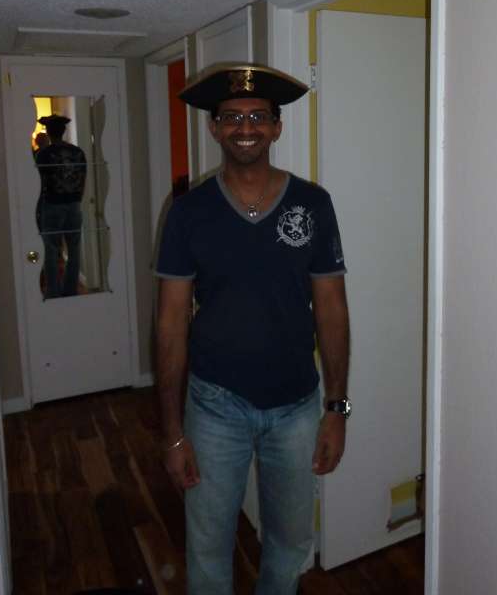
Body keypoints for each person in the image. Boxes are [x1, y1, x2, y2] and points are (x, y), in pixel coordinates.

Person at [155, 63, 351, 595]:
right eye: (233, 117)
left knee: (290, 542)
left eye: (258, 116)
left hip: (297, 408)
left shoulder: (313, 205)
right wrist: (172, 432)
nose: (246, 127)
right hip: (214, 407)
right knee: (208, 548)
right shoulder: (188, 213)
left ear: (277, 127)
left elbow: (332, 311)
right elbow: (170, 326)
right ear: (215, 128)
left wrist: (337, 409)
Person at [36, 114, 87, 298]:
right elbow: (83, 179)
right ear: (63, 131)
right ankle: (70, 290)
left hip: (52, 204)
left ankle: (53, 292)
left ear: (49, 132)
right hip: (74, 204)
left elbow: (37, 181)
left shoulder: (44, 154)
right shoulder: (78, 152)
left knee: (50, 250)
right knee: (74, 249)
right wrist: (77, 199)